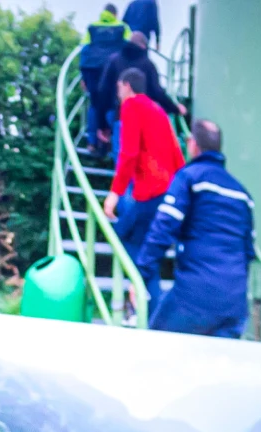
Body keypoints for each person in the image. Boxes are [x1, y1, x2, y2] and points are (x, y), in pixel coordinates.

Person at [138, 120, 252, 337]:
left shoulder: (189, 177)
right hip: (235, 302)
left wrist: (140, 276)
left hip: (194, 295)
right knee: (218, 365)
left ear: (192, 144)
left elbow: (163, 228)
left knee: (156, 351)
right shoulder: (243, 194)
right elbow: (248, 251)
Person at [104, 64, 178, 296]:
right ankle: (149, 307)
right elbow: (176, 153)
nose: (118, 93)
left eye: (118, 87)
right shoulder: (158, 110)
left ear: (127, 86)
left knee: (122, 234)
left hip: (149, 192)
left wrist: (114, 193)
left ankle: (138, 292)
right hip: (167, 191)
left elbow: (129, 153)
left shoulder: (132, 105)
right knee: (147, 255)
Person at [75, 4, 122, 152]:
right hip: (112, 70)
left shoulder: (92, 27)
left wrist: (83, 76)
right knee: (112, 104)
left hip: (91, 69)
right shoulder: (122, 27)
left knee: (94, 104)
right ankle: (110, 141)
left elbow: (84, 49)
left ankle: (92, 142)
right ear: (115, 14)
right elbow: (129, 49)